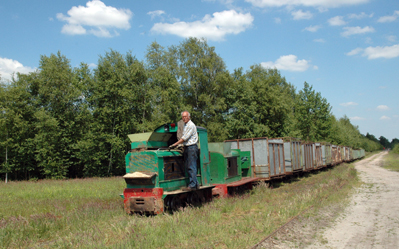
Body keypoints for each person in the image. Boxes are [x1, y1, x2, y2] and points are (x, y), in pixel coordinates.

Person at [170, 111, 199, 191]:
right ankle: (195, 184)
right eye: (183, 117)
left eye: (185, 116)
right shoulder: (185, 125)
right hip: (187, 147)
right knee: (188, 166)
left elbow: (184, 138)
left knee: (191, 166)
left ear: (189, 117)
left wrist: (174, 144)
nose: (184, 118)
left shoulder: (190, 125)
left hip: (191, 147)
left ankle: (193, 185)